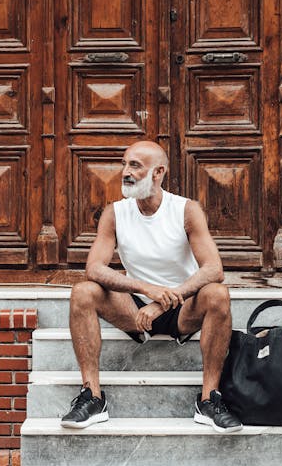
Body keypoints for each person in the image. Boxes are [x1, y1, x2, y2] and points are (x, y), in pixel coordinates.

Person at [60, 140, 242, 433]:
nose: (125, 172)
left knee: (218, 294)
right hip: (135, 309)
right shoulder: (116, 213)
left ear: (158, 172)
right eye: (124, 164)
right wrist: (146, 289)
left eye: (135, 165)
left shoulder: (185, 210)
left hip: (183, 308)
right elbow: (94, 267)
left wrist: (166, 300)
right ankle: (91, 397)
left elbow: (214, 268)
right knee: (83, 291)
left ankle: (209, 400)